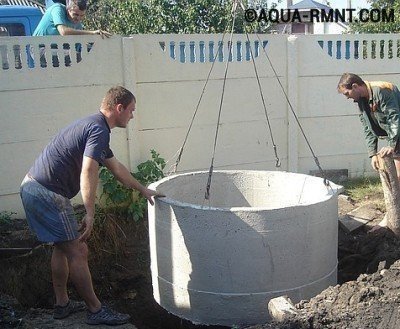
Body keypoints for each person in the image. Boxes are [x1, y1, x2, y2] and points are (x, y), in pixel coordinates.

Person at [20, 86, 163, 325]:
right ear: (119, 108)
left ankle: (62, 303)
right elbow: (89, 169)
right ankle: (96, 311)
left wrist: (142, 189)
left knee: (62, 247)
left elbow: (116, 168)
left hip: (32, 187)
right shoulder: (98, 130)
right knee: (78, 251)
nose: (132, 115)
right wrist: (90, 211)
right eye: (131, 110)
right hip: (48, 194)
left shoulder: (92, 126)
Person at [337, 73, 400, 230]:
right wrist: (372, 153)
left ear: (355, 86)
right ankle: (392, 215)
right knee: (393, 179)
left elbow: (394, 118)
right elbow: (367, 127)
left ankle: (392, 217)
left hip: (397, 134)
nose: (347, 98)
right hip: (397, 136)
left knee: (398, 178)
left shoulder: (383, 91)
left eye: (347, 93)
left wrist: (392, 145)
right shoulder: (361, 100)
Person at [34, 0, 110, 37]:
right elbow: (63, 32)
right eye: (75, 14)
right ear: (68, 10)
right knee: (73, 58)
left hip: (57, 49)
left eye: (82, 16)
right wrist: (92, 33)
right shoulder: (57, 9)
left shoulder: (78, 26)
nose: (78, 18)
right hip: (39, 48)